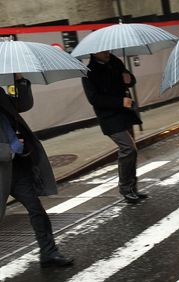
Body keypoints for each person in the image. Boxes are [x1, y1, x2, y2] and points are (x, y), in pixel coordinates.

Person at [0, 74, 73, 268]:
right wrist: (9, 150)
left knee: (36, 209)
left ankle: (49, 253)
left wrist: (20, 80)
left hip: (16, 169)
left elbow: (22, 105)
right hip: (2, 167)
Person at [82, 51, 148, 204]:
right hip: (109, 118)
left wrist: (129, 79)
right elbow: (94, 99)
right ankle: (125, 189)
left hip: (125, 113)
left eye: (107, 50)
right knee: (128, 149)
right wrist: (119, 101)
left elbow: (129, 81)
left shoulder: (116, 62)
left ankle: (133, 188)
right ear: (94, 53)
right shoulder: (88, 73)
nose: (106, 53)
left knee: (132, 152)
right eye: (102, 51)